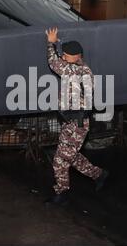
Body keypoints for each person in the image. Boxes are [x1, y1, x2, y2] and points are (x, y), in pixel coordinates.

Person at [45, 27, 109, 205]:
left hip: (77, 123)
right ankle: (99, 174)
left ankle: (62, 193)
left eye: (65, 55)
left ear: (75, 56)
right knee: (71, 156)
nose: (63, 57)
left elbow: (53, 62)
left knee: (60, 158)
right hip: (72, 122)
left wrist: (51, 43)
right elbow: (56, 62)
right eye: (63, 55)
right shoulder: (76, 68)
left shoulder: (78, 71)